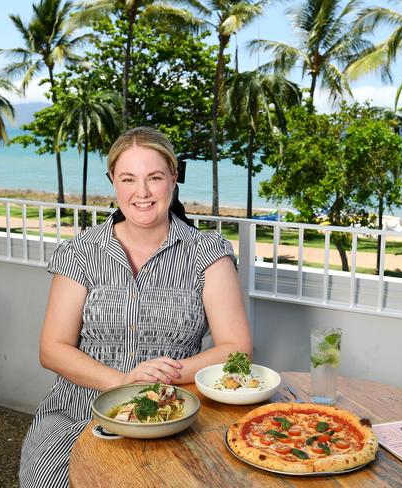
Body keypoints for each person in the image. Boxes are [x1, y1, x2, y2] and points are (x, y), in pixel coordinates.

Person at [19, 126, 252, 487]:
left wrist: (162, 378)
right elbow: (52, 349)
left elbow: (238, 350)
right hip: (79, 412)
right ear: (113, 180)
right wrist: (123, 381)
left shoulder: (208, 253)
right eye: (128, 179)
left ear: (173, 179)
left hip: (172, 411)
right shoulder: (80, 251)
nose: (141, 192)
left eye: (154, 177)